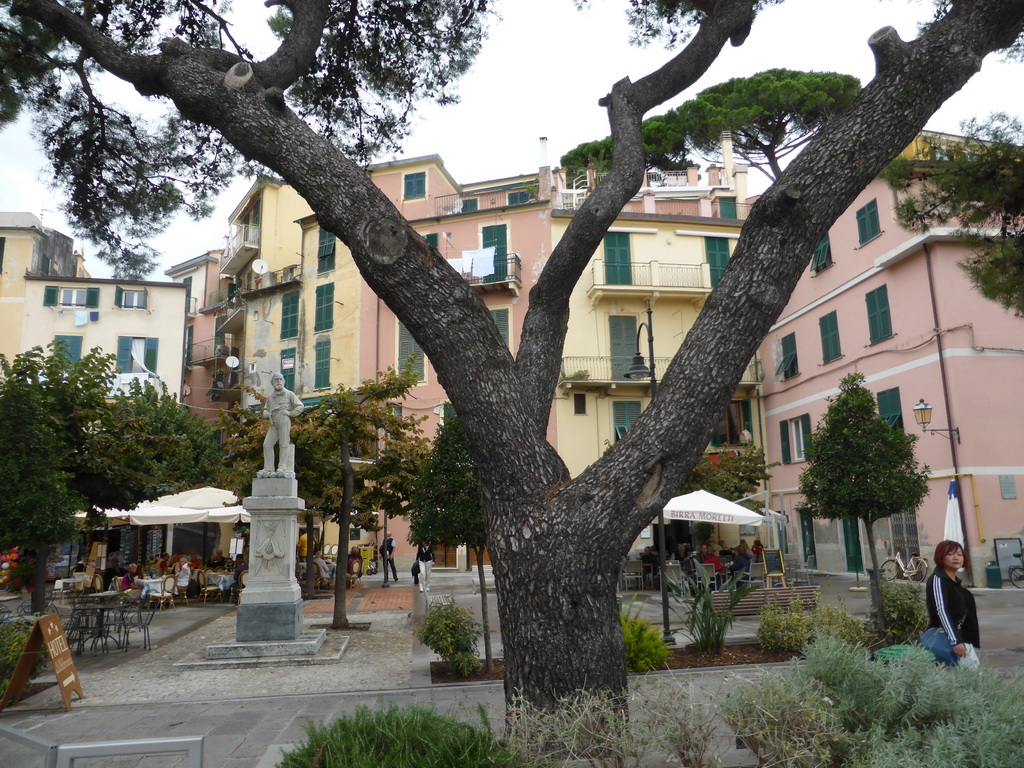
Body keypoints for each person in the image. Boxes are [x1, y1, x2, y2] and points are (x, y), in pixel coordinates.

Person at [922, 539, 980, 666]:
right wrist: (955, 641)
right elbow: (941, 610)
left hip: (961, 640)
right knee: (969, 680)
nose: (956, 558)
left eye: (959, 554)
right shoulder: (938, 580)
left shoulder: (955, 583)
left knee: (968, 681)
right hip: (947, 639)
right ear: (940, 557)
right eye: (950, 554)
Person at [261, 372, 305, 475]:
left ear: (284, 381)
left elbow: (300, 406)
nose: (279, 381)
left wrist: (291, 413)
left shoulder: (289, 394)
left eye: (280, 379)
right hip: (273, 421)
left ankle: (282, 467)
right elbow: (265, 410)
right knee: (267, 444)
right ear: (272, 382)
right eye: (276, 379)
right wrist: (266, 414)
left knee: (284, 443)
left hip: (284, 418)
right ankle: (268, 468)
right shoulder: (270, 396)